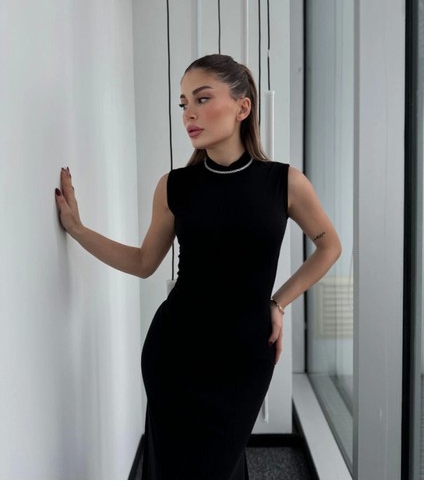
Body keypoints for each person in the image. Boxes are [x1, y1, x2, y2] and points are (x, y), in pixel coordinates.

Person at [55, 53, 342, 480]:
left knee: (219, 468)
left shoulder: (284, 183)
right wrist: (78, 230)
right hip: (176, 354)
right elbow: (143, 262)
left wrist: (278, 302)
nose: (189, 113)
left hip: (245, 357)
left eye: (202, 99)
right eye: (184, 103)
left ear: (243, 107)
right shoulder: (175, 186)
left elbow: (329, 247)